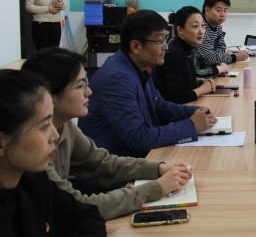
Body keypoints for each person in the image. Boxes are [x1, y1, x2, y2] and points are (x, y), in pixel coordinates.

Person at [21, 48, 194, 220]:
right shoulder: (33, 147)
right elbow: (77, 207)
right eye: (80, 86)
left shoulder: (64, 125)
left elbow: (101, 163)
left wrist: (157, 168)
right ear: (48, 95)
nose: (89, 92)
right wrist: (155, 188)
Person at [79, 10, 216, 157]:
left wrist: (195, 111)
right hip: (114, 164)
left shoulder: (138, 66)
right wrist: (192, 125)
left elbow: (159, 106)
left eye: (166, 39)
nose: (166, 47)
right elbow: (139, 138)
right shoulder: (116, 78)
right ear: (136, 46)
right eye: (159, 41)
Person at [0, 69, 106, 236]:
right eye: (44, 127)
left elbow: (87, 216)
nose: (55, 136)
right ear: (1, 143)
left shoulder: (34, 180)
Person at [153, 6, 216, 104]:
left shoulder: (188, 48)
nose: (201, 31)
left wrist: (199, 81)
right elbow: (176, 97)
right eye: (195, 26)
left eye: (203, 25)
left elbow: (182, 81)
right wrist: (203, 89)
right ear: (180, 30)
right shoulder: (173, 54)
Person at [195, 0, 248, 77]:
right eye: (219, 10)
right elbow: (210, 58)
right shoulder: (201, 28)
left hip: (213, 70)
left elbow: (222, 49)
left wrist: (220, 58)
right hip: (200, 73)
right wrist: (235, 57)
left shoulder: (218, 26)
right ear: (207, 10)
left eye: (225, 10)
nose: (223, 14)